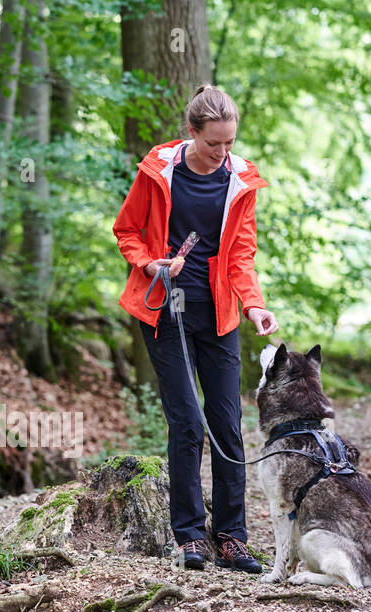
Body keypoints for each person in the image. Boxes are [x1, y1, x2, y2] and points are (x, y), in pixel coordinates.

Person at [112, 84, 279, 572]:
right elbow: (126, 231)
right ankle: (189, 537)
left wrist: (253, 306)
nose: (222, 154)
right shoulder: (158, 171)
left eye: (229, 143)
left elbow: (242, 254)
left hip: (221, 313)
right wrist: (149, 265)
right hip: (167, 309)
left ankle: (231, 537)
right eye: (213, 144)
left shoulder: (239, 180)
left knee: (226, 422)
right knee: (186, 424)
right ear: (192, 133)